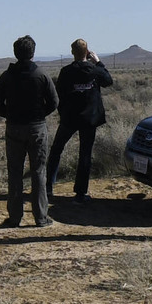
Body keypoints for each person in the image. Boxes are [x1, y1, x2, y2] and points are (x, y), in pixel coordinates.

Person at [0, 35, 58, 227]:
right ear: (33, 52)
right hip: (37, 128)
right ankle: (40, 217)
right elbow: (54, 102)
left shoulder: (7, 76)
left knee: (14, 172)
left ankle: (14, 217)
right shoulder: (41, 75)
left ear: (15, 53)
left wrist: (10, 115)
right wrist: (40, 115)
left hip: (14, 128)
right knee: (38, 171)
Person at [45, 39, 113, 204]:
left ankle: (47, 187)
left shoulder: (66, 71)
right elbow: (108, 81)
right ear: (87, 52)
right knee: (85, 155)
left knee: (56, 150)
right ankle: (81, 194)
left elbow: (58, 94)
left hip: (70, 118)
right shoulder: (95, 70)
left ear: (72, 52)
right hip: (89, 119)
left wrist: (63, 113)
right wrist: (98, 62)